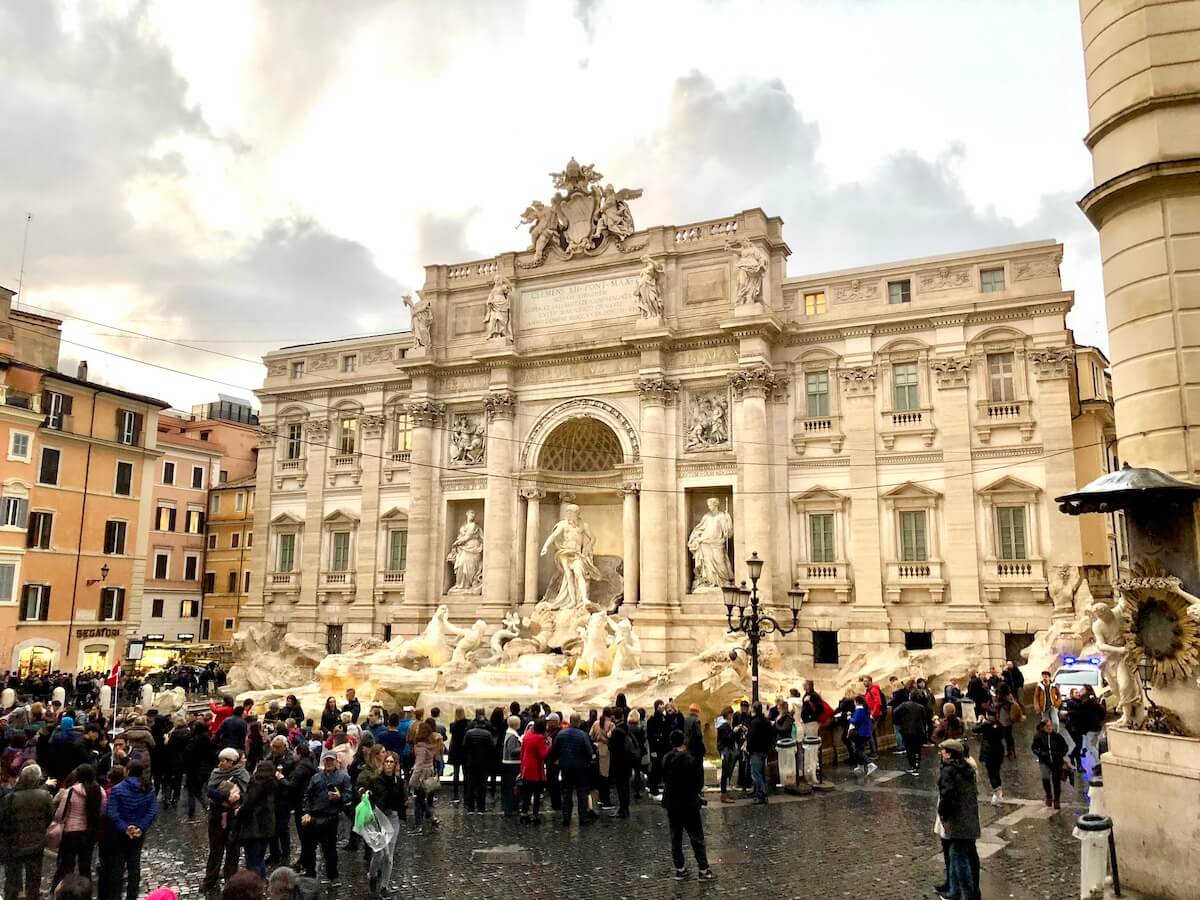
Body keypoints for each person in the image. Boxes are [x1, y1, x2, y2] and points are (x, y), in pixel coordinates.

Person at [661, 729, 716, 882]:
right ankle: (703, 870)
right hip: (689, 803)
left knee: (676, 837)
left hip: (672, 803)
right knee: (696, 836)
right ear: (683, 741)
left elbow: (664, 778)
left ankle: (680, 869)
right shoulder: (690, 759)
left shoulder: (666, 758)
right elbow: (698, 782)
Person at [101, 762, 158, 900]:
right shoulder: (148, 788)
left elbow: (112, 812)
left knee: (117, 869)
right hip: (138, 834)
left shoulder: (117, 789)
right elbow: (152, 812)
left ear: (127, 771)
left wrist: (125, 828)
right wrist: (140, 827)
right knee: (134, 867)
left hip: (119, 834)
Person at [1, 763, 54, 900]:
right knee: (34, 879)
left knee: (12, 878)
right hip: (36, 843)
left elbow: (3, 821)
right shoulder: (45, 795)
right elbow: (50, 816)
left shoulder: (10, 798)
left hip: (14, 843)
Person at [936, 739, 980, 900]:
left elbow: (948, 796)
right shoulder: (967, 768)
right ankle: (956, 891)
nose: (940, 753)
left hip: (958, 820)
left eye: (942, 750)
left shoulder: (949, 771)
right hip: (969, 818)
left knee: (958, 858)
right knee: (960, 856)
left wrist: (943, 813)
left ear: (948, 753)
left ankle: (967, 894)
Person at [51, 763, 106, 889]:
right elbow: (103, 810)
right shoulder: (99, 790)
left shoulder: (72, 791)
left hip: (70, 832)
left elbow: (60, 813)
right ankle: (86, 891)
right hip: (89, 832)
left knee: (66, 866)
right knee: (85, 865)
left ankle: (62, 890)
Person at [203, 747, 250, 893]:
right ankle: (210, 879)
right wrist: (226, 796)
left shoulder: (242, 774)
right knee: (215, 849)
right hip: (217, 815)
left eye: (225, 760)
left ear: (232, 762)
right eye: (220, 760)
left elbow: (246, 794)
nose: (221, 763)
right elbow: (210, 791)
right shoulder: (216, 773)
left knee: (233, 850)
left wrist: (237, 797)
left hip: (234, 817)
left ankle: (231, 881)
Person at [299, 751, 351, 881]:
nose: (328, 763)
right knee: (309, 847)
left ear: (336, 762)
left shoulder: (343, 777)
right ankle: (310, 872)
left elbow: (349, 796)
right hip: (314, 817)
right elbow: (307, 796)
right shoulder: (316, 777)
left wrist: (340, 797)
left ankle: (332, 874)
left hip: (331, 817)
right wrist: (306, 812)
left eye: (331, 760)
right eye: (326, 760)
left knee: (330, 849)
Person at [358, 750, 403, 896]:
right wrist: (365, 794)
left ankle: (384, 887)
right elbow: (366, 794)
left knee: (389, 856)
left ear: (395, 765)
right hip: (379, 818)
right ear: (383, 764)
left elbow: (402, 799)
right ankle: (372, 875)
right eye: (387, 762)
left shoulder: (399, 781)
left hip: (393, 818)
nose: (389, 764)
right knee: (380, 852)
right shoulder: (376, 779)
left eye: (392, 762)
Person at [548, 712, 595, 826]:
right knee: (581, 794)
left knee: (566, 793)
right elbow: (589, 752)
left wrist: (557, 760)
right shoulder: (583, 735)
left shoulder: (561, 734)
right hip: (580, 768)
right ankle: (583, 818)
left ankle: (566, 818)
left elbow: (554, 750)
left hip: (565, 767)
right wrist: (587, 761)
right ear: (578, 722)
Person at [239, 761, 279, 877]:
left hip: (254, 826)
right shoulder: (273, 783)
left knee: (253, 860)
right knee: (260, 858)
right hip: (267, 825)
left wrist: (240, 808)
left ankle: (255, 884)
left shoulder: (256, 783)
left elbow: (249, 802)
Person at [408, 719, 442, 832]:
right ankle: (432, 817)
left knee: (418, 800)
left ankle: (419, 825)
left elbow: (419, 766)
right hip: (429, 773)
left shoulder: (421, 747)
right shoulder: (430, 744)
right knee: (421, 799)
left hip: (421, 776)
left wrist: (411, 782)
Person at [1031, 718, 1069, 810]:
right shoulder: (1038, 736)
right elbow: (1034, 748)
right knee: (1045, 778)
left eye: (1051, 726)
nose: (1050, 728)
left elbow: (1065, 747)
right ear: (1043, 727)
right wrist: (1041, 754)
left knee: (1056, 781)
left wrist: (1059, 755)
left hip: (1056, 762)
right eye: (1047, 726)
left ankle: (1057, 800)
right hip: (1044, 761)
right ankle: (1048, 796)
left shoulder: (1057, 736)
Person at [184, 719, 217, 820]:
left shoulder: (194, 739)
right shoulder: (208, 738)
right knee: (201, 789)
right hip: (206, 768)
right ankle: (206, 807)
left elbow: (188, 754)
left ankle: (193, 812)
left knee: (193, 791)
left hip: (194, 768)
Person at [461, 712, 493, 814]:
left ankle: (470, 808)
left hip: (471, 763)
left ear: (476, 723)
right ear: (483, 724)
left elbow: (464, 746)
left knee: (471, 785)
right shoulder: (488, 734)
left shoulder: (469, 733)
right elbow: (491, 747)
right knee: (482, 786)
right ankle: (481, 808)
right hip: (484, 763)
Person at [519, 718, 549, 824]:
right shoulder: (539, 738)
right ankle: (535, 815)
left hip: (526, 768)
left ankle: (524, 813)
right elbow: (542, 755)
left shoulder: (527, 735)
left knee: (526, 793)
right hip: (536, 770)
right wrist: (548, 745)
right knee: (537, 794)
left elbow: (522, 751)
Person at [973, 708, 1006, 805]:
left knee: (992, 773)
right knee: (996, 771)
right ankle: (998, 794)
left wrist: (979, 721)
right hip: (999, 750)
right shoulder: (1000, 724)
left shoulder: (986, 724)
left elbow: (974, 729)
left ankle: (997, 793)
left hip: (989, 752)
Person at [892, 694, 929, 775]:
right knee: (917, 749)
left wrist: (901, 721)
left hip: (907, 730)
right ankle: (917, 766)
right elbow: (924, 719)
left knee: (910, 749)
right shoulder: (921, 707)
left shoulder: (904, 705)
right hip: (919, 730)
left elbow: (895, 711)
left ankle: (912, 766)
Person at [608, 712, 634, 818]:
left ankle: (622, 810)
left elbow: (612, 748)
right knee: (626, 787)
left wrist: (609, 737)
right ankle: (625, 809)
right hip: (627, 762)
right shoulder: (626, 728)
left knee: (620, 788)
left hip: (619, 764)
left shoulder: (616, 731)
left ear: (614, 717)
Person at [746, 702, 774, 803]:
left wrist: (748, 749)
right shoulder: (766, 721)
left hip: (756, 751)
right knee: (761, 773)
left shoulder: (755, 722)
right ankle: (762, 794)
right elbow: (771, 734)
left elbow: (751, 737)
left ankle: (761, 794)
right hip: (764, 750)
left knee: (756, 774)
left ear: (753, 709)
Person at [847, 695, 877, 776]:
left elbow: (855, 721)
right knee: (860, 749)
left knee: (858, 751)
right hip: (867, 732)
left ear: (856, 702)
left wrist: (849, 717)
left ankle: (870, 764)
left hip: (860, 733)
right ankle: (860, 766)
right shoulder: (865, 709)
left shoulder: (859, 710)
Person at [715, 707, 737, 802]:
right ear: (727, 714)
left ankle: (724, 793)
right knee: (725, 772)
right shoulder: (724, 726)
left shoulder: (723, 724)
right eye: (730, 714)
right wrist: (734, 731)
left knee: (726, 772)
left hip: (725, 750)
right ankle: (724, 795)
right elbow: (727, 738)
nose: (731, 716)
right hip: (726, 750)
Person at [446, 708, 468, 801]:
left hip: (455, 750)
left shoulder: (453, 725)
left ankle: (455, 792)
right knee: (465, 771)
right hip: (464, 749)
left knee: (456, 772)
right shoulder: (467, 724)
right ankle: (466, 791)